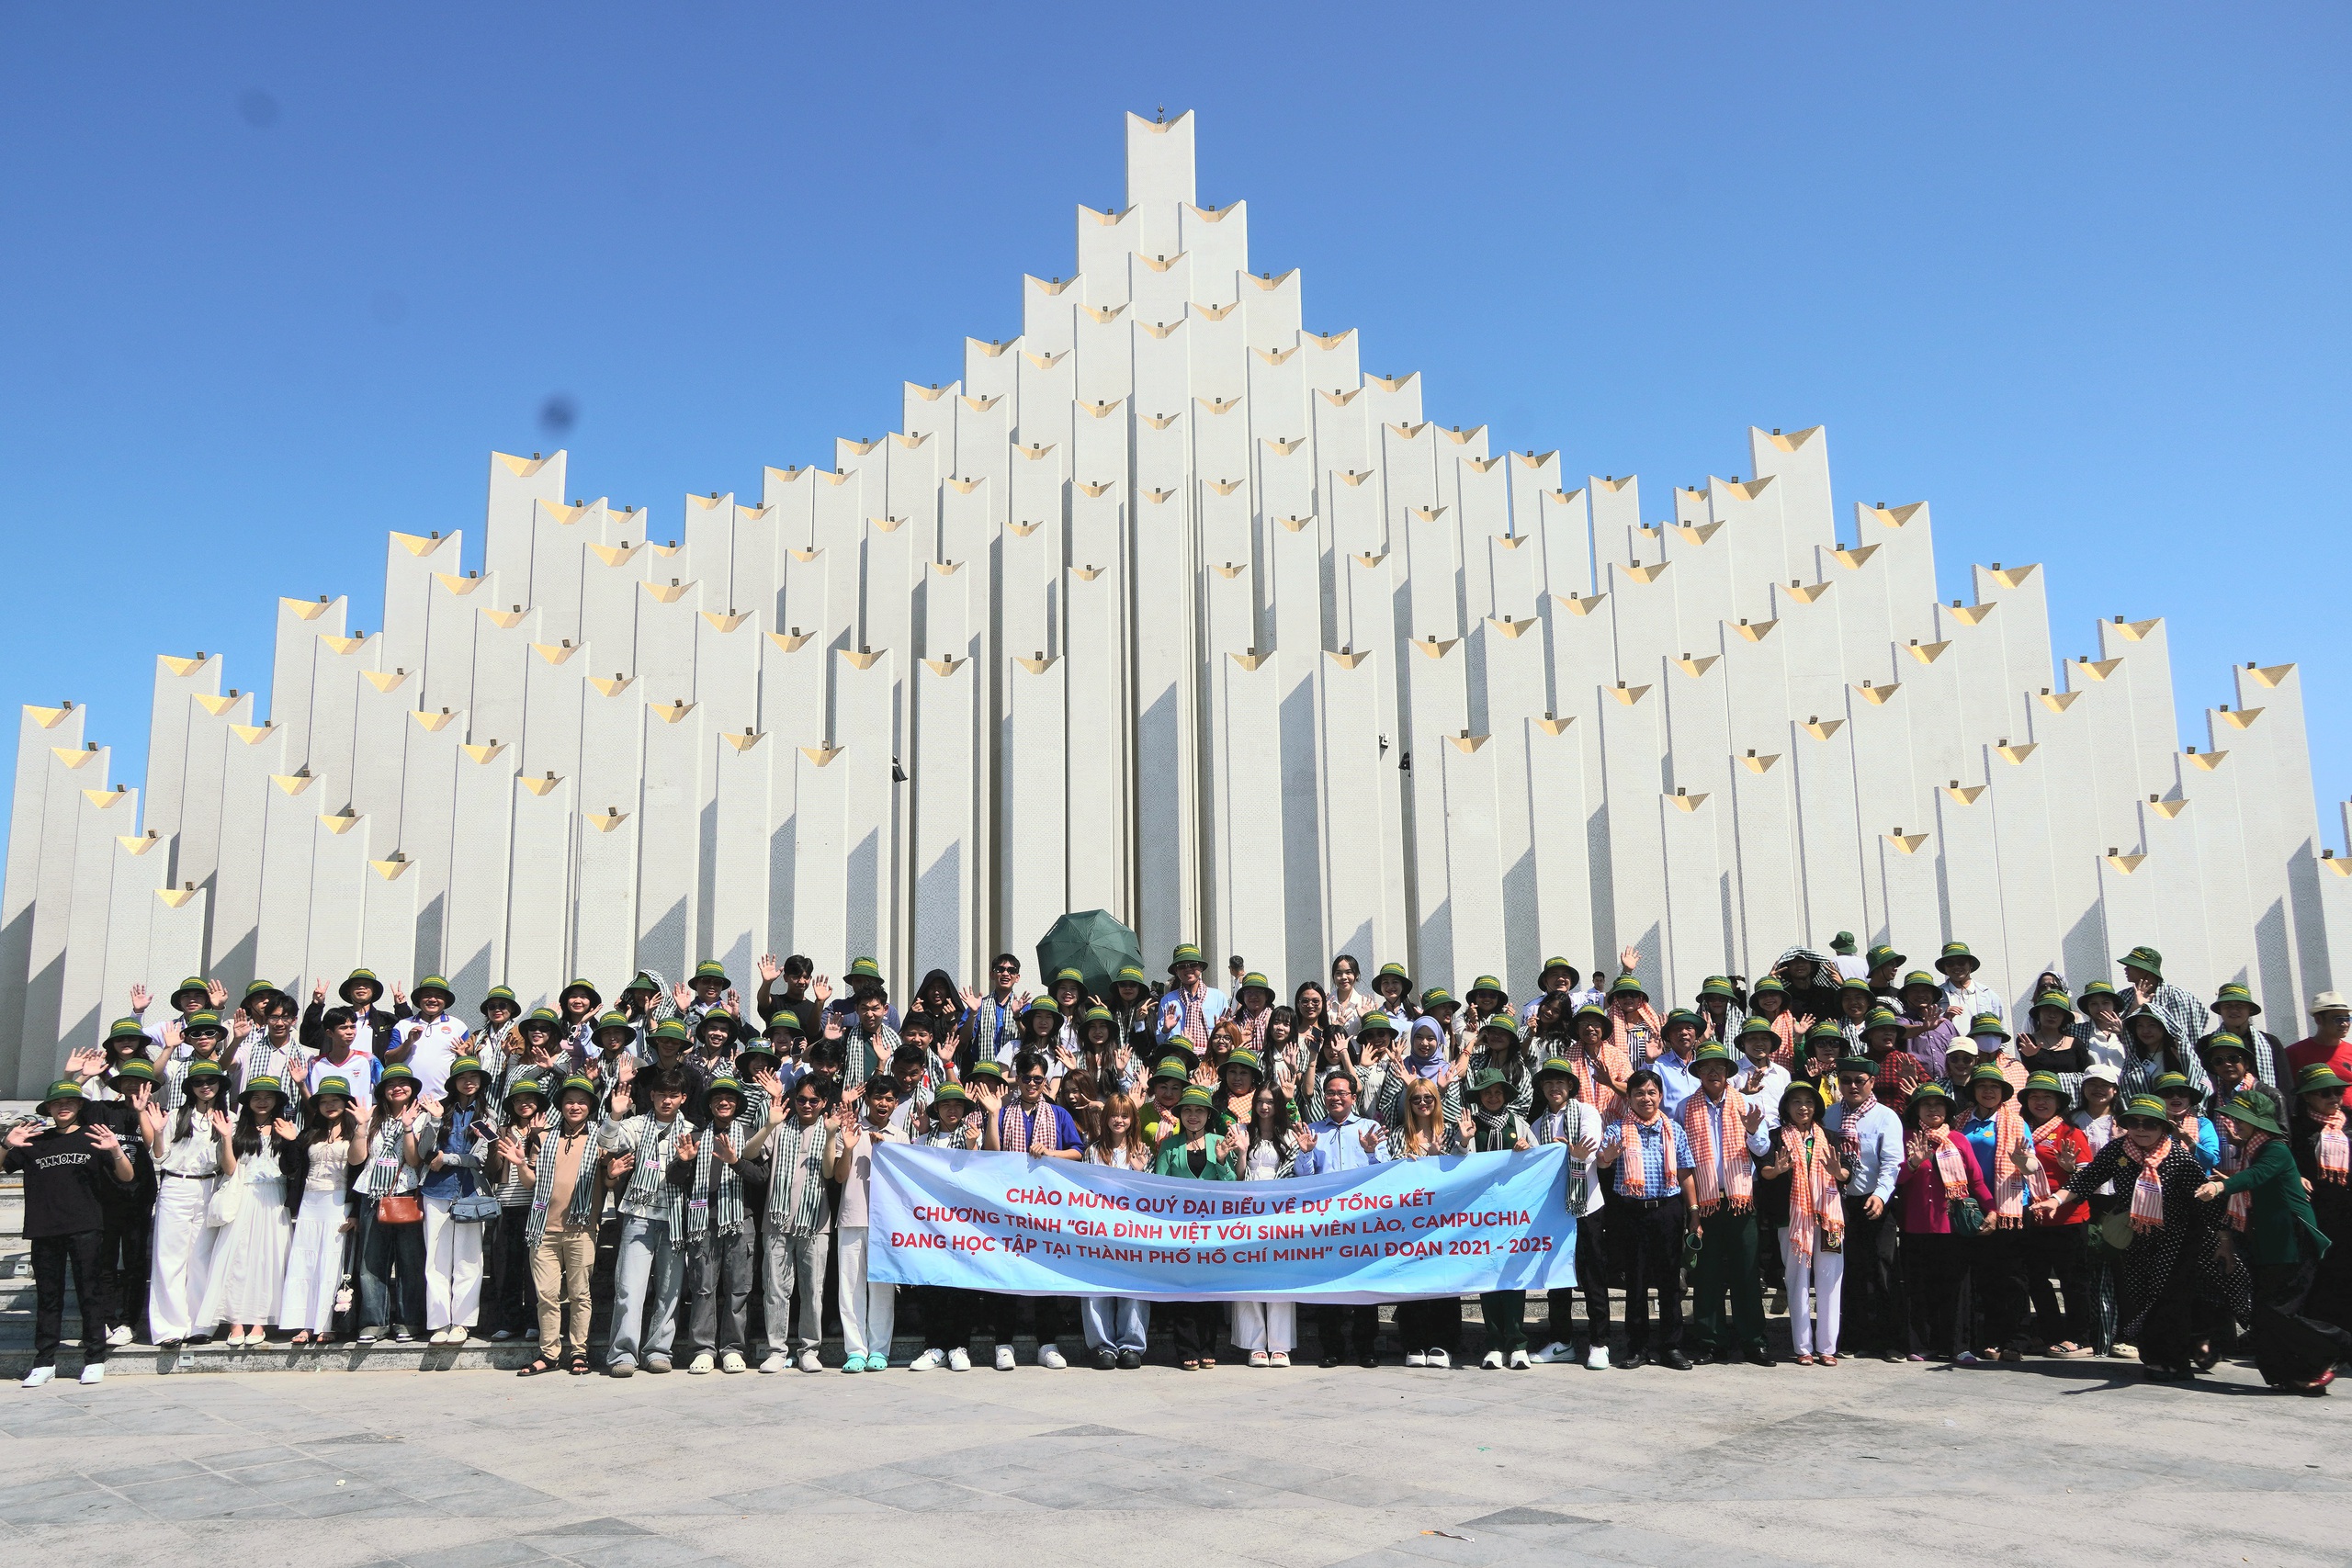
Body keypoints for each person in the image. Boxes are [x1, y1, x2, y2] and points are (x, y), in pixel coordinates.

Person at [2038, 1095, 2244, 1382]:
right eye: (2134, 1122)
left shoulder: (2180, 1158)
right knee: (2143, 1298)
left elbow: (2207, 1203)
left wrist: (2224, 1241)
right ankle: (2157, 1357)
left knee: (2170, 1300)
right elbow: (2087, 1179)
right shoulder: (2118, 1151)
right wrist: (2056, 1201)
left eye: (2149, 1123)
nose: (2141, 1128)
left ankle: (2175, 1362)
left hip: (2180, 1240)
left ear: (2163, 1127)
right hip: (2137, 1237)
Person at [2195, 1091, 2352, 1392]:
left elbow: (2256, 1176)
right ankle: (2293, 1375)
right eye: (2234, 1118)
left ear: (2259, 1124)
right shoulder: (2251, 1151)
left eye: (2241, 1119)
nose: (2234, 1124)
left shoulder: (2274, 1150)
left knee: (2277, 1313)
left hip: (2293, 1241)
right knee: (2265, 1316)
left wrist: (2219, 1186)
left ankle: (2337, 1344)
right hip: (2271, 1244)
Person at [8, 1079, 138, 1385]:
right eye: (57, 1103)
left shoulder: (94, 1137)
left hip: (86, 1227)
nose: (63, 1106)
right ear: (49, 1108)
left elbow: (128, 1176)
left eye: (70, 1101)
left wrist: (116, 1149)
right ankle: (44, 1361)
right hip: (44, 1228)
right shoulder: (35, 1140)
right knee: (48, 1297)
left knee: (90, 1294)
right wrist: (6, 1144)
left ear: (80, 1105)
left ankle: (94, 1357)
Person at [1680, 1043, 1771, 1366]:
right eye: (1706, 1067)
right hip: (1704, 1202)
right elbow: (1682, 1160)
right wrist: (1692, 1209)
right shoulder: (1684, 1108)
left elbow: (1762, 1150)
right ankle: (1710, 1341)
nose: (1713, 1072)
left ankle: (1754, 1342)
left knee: (1746, 1273)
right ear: (1699, 1073)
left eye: (1719, 1066)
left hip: (1739, 1201)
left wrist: (1752, 1131)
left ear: (1728, 1072)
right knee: (1706, 1275)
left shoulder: (1745, 1103)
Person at [603, 1063, 696, 1376]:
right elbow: (607, 1144)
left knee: (670, 1290)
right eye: (662, 1095)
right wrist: (616, 1115)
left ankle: (658, 1350)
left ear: (683, 1098)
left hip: (675, 1219)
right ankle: (623, 1355)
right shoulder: (637, 1125)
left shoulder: (692, 1131)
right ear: (652, 1096)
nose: (667, 1101)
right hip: (638, 1216)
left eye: (674, 1095)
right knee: (629, 1288)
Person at [1599, 1068, 1695, 1370]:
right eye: (1639, 1093)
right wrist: (1609, 1157)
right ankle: (1636, 1347)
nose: (1646, 1098)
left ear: (1661, 1096)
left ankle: (1671, 1347)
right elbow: (1602, 1160)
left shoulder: (1674, 1129)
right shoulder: (1616, 1130)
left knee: (1670, 1282)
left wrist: (1694, 1213)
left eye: (1652, 1092)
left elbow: (1685, 1173)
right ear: (1629, 1098)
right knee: (1636, 1283)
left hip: (1667, 1211)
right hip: (1631, 1214)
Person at [741, 1068, 835, 1373]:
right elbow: (748, 1152)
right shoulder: (781, 1128)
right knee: (775, 1289)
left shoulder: (830, 1128)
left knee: (812, 1289)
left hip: (814, 1224)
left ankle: (810, 1349)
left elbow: (832, 1173)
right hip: (777, 1222)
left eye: (813, 1101)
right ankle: (777, 1350)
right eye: (801, 1099)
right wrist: (769, 1125)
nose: (806, 1105)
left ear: (823, 1103)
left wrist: (833, 1135)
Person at [508, 1075, 604, 1376]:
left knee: (579, 1294)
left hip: (582, 1228)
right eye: (569, 1101)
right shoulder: (544, 1137)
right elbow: (532, 1183)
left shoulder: (601, 1137)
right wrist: (521, 1163)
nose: (575, 1106)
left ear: (590, 1106)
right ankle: (549, 1353)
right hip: (543, 1228)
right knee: (547, 1295)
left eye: (581, 1101)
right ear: (560, 1106)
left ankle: (579, 1352)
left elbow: (611, 1178)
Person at [1294, 1068, 1390, 1366]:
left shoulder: (1370, 1127)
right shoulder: (1313, 1131)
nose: (1335, 1098)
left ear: (1353, 1096)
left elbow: (1386, 1174)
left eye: (1341, 1093)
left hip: (1363, 1223)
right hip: (1326, 1224)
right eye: (1331, 1093)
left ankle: (1367, 1349)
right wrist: (1307, 1153)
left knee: (1364, 1287)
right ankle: (1331, 1348)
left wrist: (1372, 1153)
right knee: (1328, 1288)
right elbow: (1302, 1178)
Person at [198, 1076, 299, 1348]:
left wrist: (292, 1141)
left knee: (270, 1259)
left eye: (268, 1096)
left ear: (277, 1100)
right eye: (256, 1097)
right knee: (237, 1260)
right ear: (248, 1102)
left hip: (274, 1199)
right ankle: (235, 1321)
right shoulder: (238, 1129)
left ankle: (259, 1321)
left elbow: (292, 1168)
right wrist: (227, 1137)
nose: (262, 1102)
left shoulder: (286, 1128)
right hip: (244, 1196)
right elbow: (230, 1169)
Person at [1896, 1081, 1991, 1362]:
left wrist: (1992, 1210)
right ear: (1918, 1111)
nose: (1933, 1109)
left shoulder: (1959, 1140)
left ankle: (1957, 1346)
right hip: (1916, 1226)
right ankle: (1920, 1344)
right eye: (1927, 1105)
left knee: (1956, 1288)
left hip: (1952, 1226)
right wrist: (1914, 1162)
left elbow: (1976, 1181)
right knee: (1919, 1288)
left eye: (1938, 1105)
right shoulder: (1908, 1138)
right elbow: (1896, 1181)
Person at [1526, 1056, 1607, 1367]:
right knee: (1557, 1278)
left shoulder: (1586, 1112)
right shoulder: (1537, 1124)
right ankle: (1561, 1341)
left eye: (1560, 1081)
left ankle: (1599, 1342)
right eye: (1549, 1082)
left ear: (1570, 1086)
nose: (1555, 1087)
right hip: (1554, 1211)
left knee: (1593, 1275)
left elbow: (1589, 1149)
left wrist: (1567, 1151)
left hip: (1587, 1206)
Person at [1154, 1085, 1242, 1368]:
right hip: (1181, 1229)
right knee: (1184, 1289)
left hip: (1213, 1229)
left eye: (1199, 1110)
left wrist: (1220, 1160)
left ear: (1208, 1115)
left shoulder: (1220, 1141)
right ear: (1181, 1114)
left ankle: (1208, 1347)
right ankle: (1186, 1350)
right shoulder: (1169, 1144)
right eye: (1188, 1110)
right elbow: (1160, 1187)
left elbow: (1231, 1187)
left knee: (1209, 1290)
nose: (1193, 1116)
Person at [145, 1058, 232, 1346]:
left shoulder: (228, 1118)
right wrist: (158, 1131)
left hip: (209, 1188)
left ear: (220, 1084)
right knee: (169, 1258)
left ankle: (201, 1325)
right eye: (198, 1082)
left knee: (201, 1259)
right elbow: (159, 1157)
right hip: (175, 1185)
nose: (205, 1086)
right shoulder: (174, 1117)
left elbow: (228, 1164)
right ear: (189, 1087)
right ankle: (169, 1328)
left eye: (211, 1081)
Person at [1823, 1055, 1904, 1359]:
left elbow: (1892, 1162)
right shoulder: (1830, 1115)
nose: (1853, 1086)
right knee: (1850, 1271)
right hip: (1840, 1203)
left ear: (1872, 1083)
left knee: (1883, 1268)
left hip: (1876, 1200)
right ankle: (1853, 1337)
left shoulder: (1886, 1116)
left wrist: (1881, 1195)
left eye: (1860, 1081)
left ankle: (1891, 1340)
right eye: (1846, 1080)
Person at [1759, 1081, 1846, 1364]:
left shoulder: (1831, 1137)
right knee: (1796, 1282)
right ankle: (1803, 1348)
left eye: (1808, 1101)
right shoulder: (1777, 1138)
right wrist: (1777, 1170)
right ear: (1786, 1107)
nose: (1803, 1107)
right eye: (1795, 1101)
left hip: (1828, 1219)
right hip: (1793, 1220)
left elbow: (1847, 1174)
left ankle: (1828, 1348)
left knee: (1829, 1282)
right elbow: (1765, 1175)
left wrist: (1838, 1171)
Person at [278, 1076, 367, 1346]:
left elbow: (360, 1168)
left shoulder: (357, 1132)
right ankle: (305, 1323)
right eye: (324, 1101)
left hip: (340, 1201)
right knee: (305, 1263)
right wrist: (291, 1142)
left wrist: (355, 1213)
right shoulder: (309, 1134)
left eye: (335, 1100)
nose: (329, 1105)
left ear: (346, 1103)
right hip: (309, 1202)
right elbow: (290, 1168)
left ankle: (328, 1323)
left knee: (333, 1263)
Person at [678, 1076, 757, 1373]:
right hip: (703, 1221)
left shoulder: (750, 1136)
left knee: (738, 1288)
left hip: (740, 1220)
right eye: (717, 1098)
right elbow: (676, 1179)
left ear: (737, 1104)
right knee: (702, 1287)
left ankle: (733, 1348)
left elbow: (762, 1177)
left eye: (729, 1098)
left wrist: (736, 1161)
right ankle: (703, 1349)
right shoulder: (696, 1138)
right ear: (710, 1104)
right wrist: (685, 1161)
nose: (723, 1102)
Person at [411, 1055, 492, 1344]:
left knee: (469, 1260)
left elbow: (482, 1158)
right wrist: (432, 1120)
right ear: (453, 1082)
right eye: (462, 1077)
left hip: (471, 1192)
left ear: (481, 1081)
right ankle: (439, 1323)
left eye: (474, 1077)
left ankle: (463, 1323)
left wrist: (448, 1158)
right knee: (435, 1260)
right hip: (436, 1191)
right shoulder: (440, 1110)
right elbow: (423, 1152)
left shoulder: (487, 1115)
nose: (469, 1082)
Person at [830, 1072, 906, 1372]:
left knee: (883, 1288)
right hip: (852, 1216)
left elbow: (904, 1182)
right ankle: (856, 1350)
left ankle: (879, 1350)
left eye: (889, 1099)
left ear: (896, 1103)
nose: (883, 1103)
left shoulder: (901, 1136)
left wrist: (884, 1151)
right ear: (868, 1100)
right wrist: (849, 1146)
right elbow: (838, 1176)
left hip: (886, 1222)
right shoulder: (851, 1129)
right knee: (850, 1287)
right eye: (878, 1097)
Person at [2017, 1071, 2096, 1357]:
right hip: (2033, 1218)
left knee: (2073, 1281)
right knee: (2035, 1278)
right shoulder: (2019, 1129)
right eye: (2035, 1096)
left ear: (2058, 1103)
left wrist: (2070, 1168)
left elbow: (2088, 1178)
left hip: (2069, 1219)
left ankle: (2080, 1338)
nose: (2040, 1101)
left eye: (2047, 1097)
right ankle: (2051, 1332)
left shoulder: (2071, 1133)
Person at [1463, 1067, 1534, 1369]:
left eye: (1497, 1092)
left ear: (1505, 1095)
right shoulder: (1470, 1125)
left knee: (1514, 1274)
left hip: (1514, 1212)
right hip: (1481, 1213)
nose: (1492, 1097)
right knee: (1488, 1274)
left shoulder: (1519, 1123)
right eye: (1487, 1092)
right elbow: (1459, 1167)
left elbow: (1539, 1162)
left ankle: (1517, 1343)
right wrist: (1461, 1140)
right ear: (1479, 1096)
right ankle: (1493, 1343)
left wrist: (1526, 1150)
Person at [1079, 1092, 1154, 1369]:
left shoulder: (1142, 1151)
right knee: (1096, 1288)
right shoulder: (1092, 1151)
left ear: (1133, 1119)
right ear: (1105, 1117)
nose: (1119, 1120)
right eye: (1114, 1114)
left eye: (1125, 1115)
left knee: (1133, 1288)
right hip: (1099, 1230)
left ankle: (1131, 1345)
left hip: (1133, 1232)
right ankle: (1102, 1346)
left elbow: (1153, 1196)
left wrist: (1140, 1172)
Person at [354, 1065, 428, 1343]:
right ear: (382, 1091)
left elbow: (414, 1160)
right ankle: (374, 1321)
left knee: (410, 1260)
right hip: (372, 1194)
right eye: (391, 1084)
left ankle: (410, 1320)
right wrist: (361, 1128)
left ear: (412, 1089)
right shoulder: (372, 1118)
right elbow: (356, 1160)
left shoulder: (421, 1118)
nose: (398, 1088)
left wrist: (408, 1126)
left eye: (403, 1083)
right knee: (370, 1261)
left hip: (405, 1193)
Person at [1231, 1079, 1302, 1367]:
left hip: (1280, 1217)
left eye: (1270, 1101)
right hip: (1246, 1215)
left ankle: (1280, 1345)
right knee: (1249, 1277)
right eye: (1260, 1100)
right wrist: (1243, 1152)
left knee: (1280, 1279)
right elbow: (1235, 1178)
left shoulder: (1291, 1138)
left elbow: (1298, 1176)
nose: (1264, 1106)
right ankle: (1255, 1344)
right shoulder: (1242, 1133)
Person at [480, 1077, 547, 1343]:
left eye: (529, 1099)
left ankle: (533, 1321)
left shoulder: (547, 1130)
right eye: (518, 1100)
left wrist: (536, 1137)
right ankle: (507, 1321)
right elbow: (492, 1170)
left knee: (534, 1271)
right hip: (505, 1206)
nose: (524, 1104)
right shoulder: (502, 1131)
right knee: (505, 1269)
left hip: (534, 1207)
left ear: (539, 1103)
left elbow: (545, 1169)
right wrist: (492, 1146)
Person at [2290, 1065, 2352, 1335]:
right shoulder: (2296, 1129)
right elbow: (2285, 1164)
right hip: (2315, 1214)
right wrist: (2296, 1177)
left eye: (2337, 1091)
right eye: (2324, 1093)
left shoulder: (2350, 1121)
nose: (2333, 1098)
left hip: (2347, 1211)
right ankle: (2324, 1342)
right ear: (2307, 1097)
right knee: (2320, 1278)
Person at [2116, 945, 2211, 1060]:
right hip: (2135, 1065)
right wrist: (2134, 1009)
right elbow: (2114, 1034)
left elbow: (2188, 1038)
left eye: (2130, 966)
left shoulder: (2177, 997)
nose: (2125, 969)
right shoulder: (2122, 997)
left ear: (2145, 969)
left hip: (2173, 1064)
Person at [386, 976, 470, 1100]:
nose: (432, 999)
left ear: (446, 1001)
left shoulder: (458, 1026)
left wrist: (465, 1056)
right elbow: (389, 1061)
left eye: (439, 996)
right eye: (427, 995)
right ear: (419, 999)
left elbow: (466, 1065)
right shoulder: (403, 1025)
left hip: (446, 1099)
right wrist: (408, 1042)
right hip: (409, 1099)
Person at [300, 968, 407, 1060]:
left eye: (366, 985)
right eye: (356, 985)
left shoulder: (386, 1020)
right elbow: (309, 1037)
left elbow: (409, 1032)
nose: (361, 987)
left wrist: (401, 1007)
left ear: (374, 991)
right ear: (348, 991)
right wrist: (316, 1005)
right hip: (338, 1080)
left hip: (374, 1081)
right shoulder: (336, 1019)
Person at [2202, 982, 2287, 1097]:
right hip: (2221, 1108)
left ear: (2250, 1010)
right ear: (2220, 1010)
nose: (2234, 1010)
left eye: (2240, 1006)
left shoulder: (2270, 1042)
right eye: (2227, 1006)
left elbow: (2285, 1082)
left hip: (2265, 1110)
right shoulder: (2205, 1044)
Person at [1159, 943, 1229, 1048]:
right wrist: (1165, 1030)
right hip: (1180, 1057)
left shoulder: (1218, 997)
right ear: (1176, 971)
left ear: (1200, 967)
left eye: (1193, 964)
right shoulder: (1168, 1001)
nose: (1188, 969)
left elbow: (1231, 1037)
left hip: (1210, 1059)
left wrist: (1225, 1029)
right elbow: (1159, 1041)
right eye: (1182, 966)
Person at [1935, 941, 2006, 1031]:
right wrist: (1943, 1017)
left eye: (1961, 962)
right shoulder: (1936, 996)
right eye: (1950, 963)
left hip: (1980, 1045)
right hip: (1947, 1045)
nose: (1956, 966)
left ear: (1971, 964)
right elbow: (1927, 1032)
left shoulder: (1989, 995)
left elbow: (2002, 1030)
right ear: (1944, 967)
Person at [2286, 992, 2352, 1083]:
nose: (2345, 1024)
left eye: (2347, 1019)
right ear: (2318, 1019)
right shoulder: (2294, 1053)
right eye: (2339, 1019)